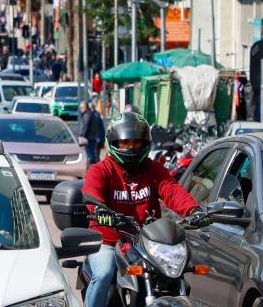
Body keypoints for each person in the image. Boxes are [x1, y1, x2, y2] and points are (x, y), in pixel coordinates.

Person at [81, 112, 211, 307]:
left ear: (145, 143)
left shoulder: (153, 169)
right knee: (104, 274)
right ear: (113, 143)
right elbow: (92, 194)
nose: (131, 147)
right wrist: (100, 212)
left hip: (148, 241)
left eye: (136, 142)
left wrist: (194, 211)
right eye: (125, 142)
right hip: (108, 240)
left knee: (176, 274)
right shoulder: (100, 170)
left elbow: (171, 190)